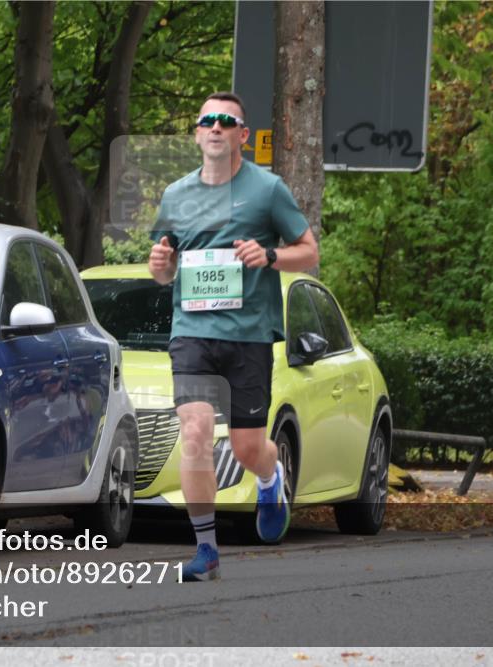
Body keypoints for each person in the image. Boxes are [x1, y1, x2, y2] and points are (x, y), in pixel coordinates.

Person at [147, 91, 319, 582]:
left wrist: (269, 257)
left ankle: (270, 476)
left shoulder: (267, 190)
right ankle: (206, 550)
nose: (217, 128)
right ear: (198, 133)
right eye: (208, 121)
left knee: (246, 448)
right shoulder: (176, 195)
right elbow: (164, 266)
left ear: (243, 135)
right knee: (196, 434)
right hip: (193, 333)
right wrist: (160, 267)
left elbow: (308, 252)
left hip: (248, 336)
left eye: (228, 121)